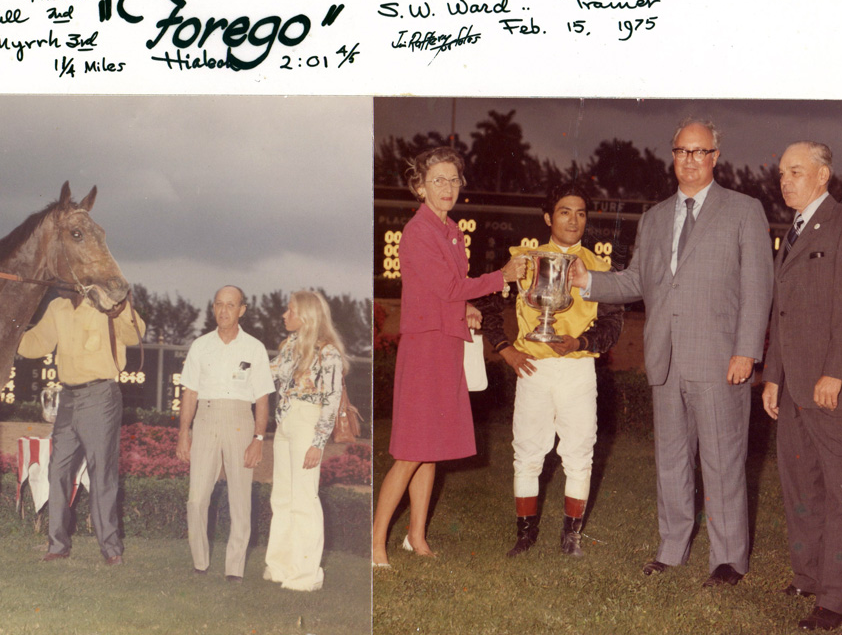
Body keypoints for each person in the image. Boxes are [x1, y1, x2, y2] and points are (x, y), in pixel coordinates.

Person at [570, 119, 773, 586]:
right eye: (682, 151)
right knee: (672, 460)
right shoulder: (656, 216)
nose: (690, 160)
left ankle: (728, 560)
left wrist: (746, 351)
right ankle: (672, 547)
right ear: (673, 155)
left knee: (722, 461)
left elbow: (758, 288)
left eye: (700, 152)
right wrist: (588, 282)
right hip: (666, 357)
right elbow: (637, 281)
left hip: (721, 359)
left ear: (715, 158)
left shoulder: (744, 210)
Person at [371, 146, 525, 568]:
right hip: (424, 348)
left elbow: (445, 292)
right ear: (419, 187)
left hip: (447, 342)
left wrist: (467, 309)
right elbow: (450, 287)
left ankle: (416, 538)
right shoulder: (419, 232)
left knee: (431, 448)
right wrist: (502, 277)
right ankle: (375, 544)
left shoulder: (450, 230)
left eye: (454, 180)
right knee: (409, 451)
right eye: (438, 180)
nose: (448, 187)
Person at [479, 184, 622, 558]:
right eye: (564, 212)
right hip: (534, 368)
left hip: (577, 370)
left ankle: (570, 536)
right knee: (527, 452)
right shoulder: (523, 260)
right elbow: (488, 306)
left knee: (579, 454)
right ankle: (525, 534)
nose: (573, 220)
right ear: (548, 217)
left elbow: (612, 325)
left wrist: (581, 343)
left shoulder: (600, 267)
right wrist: (505, 349)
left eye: (580, 213)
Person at [762, 142, 842, 632]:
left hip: (831, 387)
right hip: (793, 388)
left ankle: (835, 600)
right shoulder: (793, 231)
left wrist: (836, 372)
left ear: (823, 176)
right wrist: (773, 378)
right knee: (801, 485)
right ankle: (807, 574)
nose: (785, 181)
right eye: (782, 173)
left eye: (796, 172)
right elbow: (783, 314)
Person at [17, 287, 145, 565]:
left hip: (101, 396)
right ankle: (57, 545)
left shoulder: (105, 300)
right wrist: (8, 333)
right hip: (68, 397)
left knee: (102, 473)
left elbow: (135, 335)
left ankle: (111, 550)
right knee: (57, 469)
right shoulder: (58, 307)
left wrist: (118, 308)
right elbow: (36, 342)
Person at [176, 285, 274, 581]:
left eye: (230, 305)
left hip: (240, 421)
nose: (223, 310)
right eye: (219, 304)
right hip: (205, 419)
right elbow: (190, 393)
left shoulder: (254, 348)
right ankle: (200, 563)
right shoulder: (200, 345)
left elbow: (262, 399)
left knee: (240, 499)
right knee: (196, 498)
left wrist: (258, 439)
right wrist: (184, 432)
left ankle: (235, 569)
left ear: (242, 309)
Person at [264, 289, 349, 592]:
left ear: (306, 315)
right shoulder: (290, 346)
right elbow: (267, 372)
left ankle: (305, 576)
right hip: (285, 422)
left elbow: (331, 399)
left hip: (307, 423)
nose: (285, 315)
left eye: (290, 310)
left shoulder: (328, 353)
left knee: (304, 499)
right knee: (282, 498)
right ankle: (279, 567)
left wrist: (318, 442)